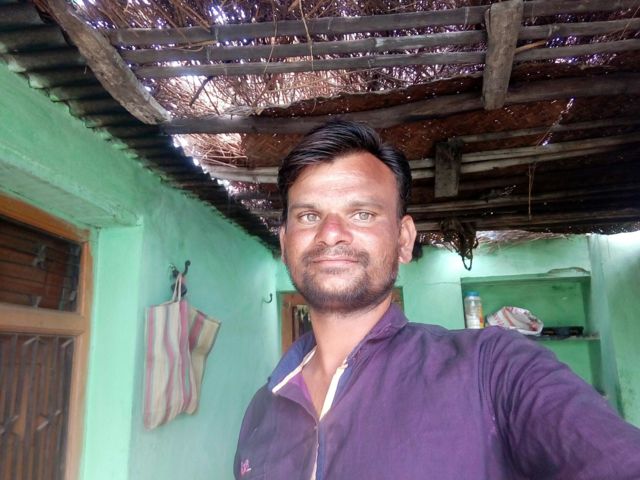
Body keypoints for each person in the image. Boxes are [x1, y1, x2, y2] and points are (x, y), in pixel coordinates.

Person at [234, 120, 640, 479]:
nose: (331, 233)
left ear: (403, 239)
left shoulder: (494, 369)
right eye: (309, 216)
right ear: (284, 243)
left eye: (362, 214)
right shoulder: (261, 411)